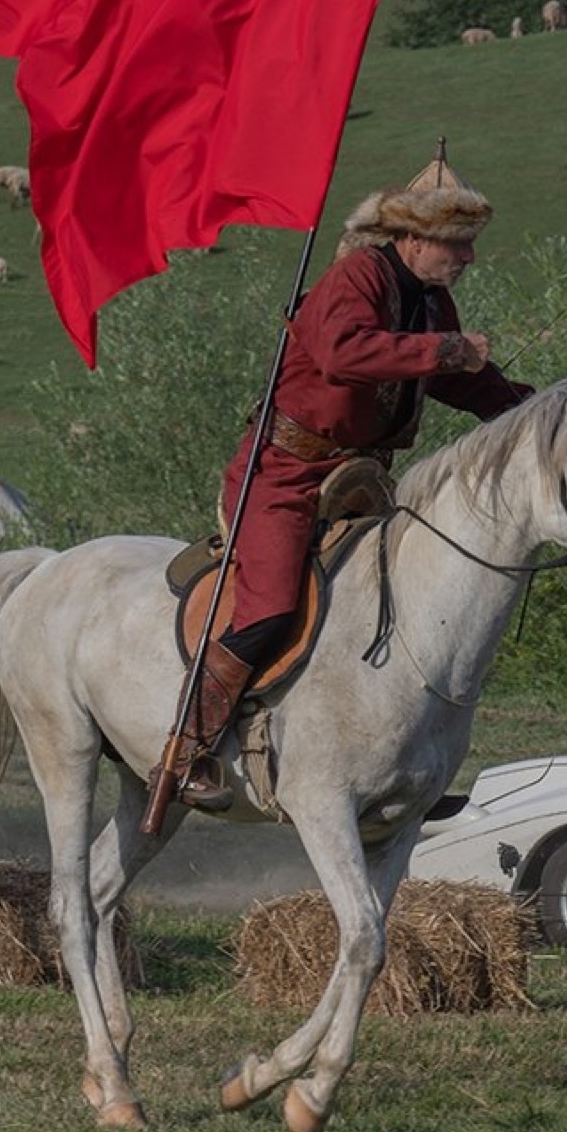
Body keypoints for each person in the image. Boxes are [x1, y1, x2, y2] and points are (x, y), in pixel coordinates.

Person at [172, 151, 534, 811]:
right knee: (272, 606)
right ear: (415, 238)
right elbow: (347, 354)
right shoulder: (354, 278)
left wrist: (533, 410)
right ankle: (189, 744)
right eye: (457, 246)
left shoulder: (429, 299)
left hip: (358, 478)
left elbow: (461, 381)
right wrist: (446, 349)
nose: (468, 260)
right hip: (283, 474)